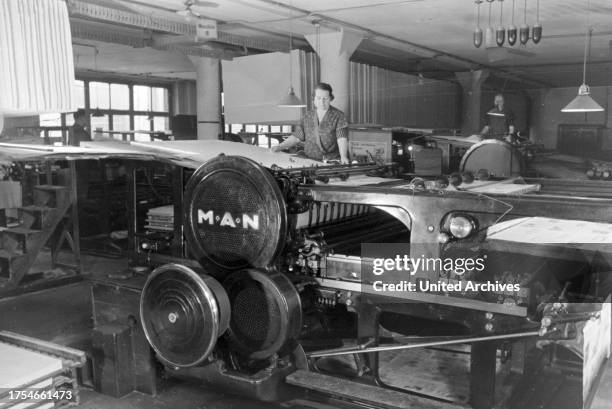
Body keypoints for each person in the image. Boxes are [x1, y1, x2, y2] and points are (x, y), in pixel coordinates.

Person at [271, 83, 349, 163]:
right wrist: (280, 147)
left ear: (330, 98)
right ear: (313, 99)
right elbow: (297, 137)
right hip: (310, 160)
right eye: (318, 98)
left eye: (325, 98)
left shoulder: (339, 116)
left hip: (331, 161)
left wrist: (343, 156)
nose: (322, 102)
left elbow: (341, 138)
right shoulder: (307, 116)